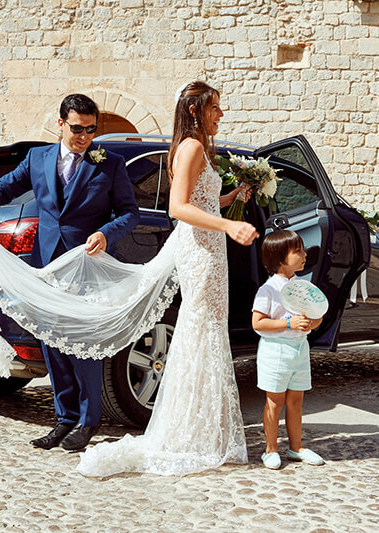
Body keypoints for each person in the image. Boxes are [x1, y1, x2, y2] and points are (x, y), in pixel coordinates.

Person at [76, 81, 258, 477]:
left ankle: (205, 429)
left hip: (209, 250)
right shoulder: (191, 147)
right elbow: (178, 208)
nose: (220, 115)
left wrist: (229, 199)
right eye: (214, 108)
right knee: (202, 333)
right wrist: (228, 225)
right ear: (195, 111)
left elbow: (198, 200)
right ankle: (192, 433)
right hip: (203, 252)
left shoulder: (196, 148)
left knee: (206, 333)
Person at [0, 94, 140, 452]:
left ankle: (88, 421)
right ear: (60, 124)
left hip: (87, 267)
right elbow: (4, 188)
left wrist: (105, 233)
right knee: (53, 344)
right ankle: (64, 419)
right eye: (76, 128)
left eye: (90, 130)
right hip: (47, 266)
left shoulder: (110, 164)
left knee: (83, 346)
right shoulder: (37, 159)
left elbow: (129, 212)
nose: (84, 136)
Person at [251, 229, 325, 469]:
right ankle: (270, 449)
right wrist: (287, 323)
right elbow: (258, 323)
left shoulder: (303, 286)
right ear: (280, 258)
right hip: (275, 351)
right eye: (298, 251)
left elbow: (317, 316)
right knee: (275, 401)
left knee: (296, 400)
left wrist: (311, 323)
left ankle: (296, 447)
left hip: (299, 349)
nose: (305, 255)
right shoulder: (269, 290)